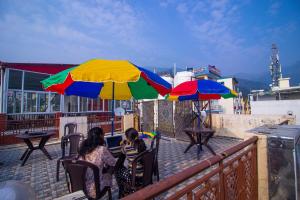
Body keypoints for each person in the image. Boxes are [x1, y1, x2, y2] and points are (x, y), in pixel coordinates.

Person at [78, 127, 116, 199]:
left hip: (79, 187)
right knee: (111, 168)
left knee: (102, 168)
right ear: (101, 136)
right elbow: (113, 163)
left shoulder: (82, 148)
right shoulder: (101, 149)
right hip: (94, 190)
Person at [115, 128, 147, 197]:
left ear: (128, 138)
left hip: (135, 176)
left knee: (117, 171)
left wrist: (123, 145)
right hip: (145, 173)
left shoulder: (127, 148)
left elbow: (122, 151)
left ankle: (124, 191)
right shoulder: (142, 144)